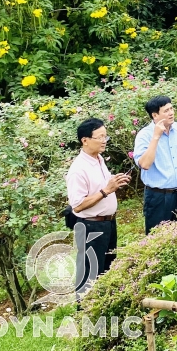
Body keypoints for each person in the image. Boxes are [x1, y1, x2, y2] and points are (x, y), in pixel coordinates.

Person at [65, 118, 130, 294]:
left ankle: (103, 308)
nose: (103, 141)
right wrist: (106, 190)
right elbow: (77, 205)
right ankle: (84, 312)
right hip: (91, 226)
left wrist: (115, 181)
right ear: (84, 140)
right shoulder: (78, 169)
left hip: (108, 223)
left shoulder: (98, 159)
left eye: (105, 137)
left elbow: (101, 186)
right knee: (89, 271)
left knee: (108, 268)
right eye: (99, 137)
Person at [133, 95, 177, 235]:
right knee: (158, 237)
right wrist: (156, 136)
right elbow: (144, 164)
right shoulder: (144, 135)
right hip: (158, 196)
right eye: (166, 111)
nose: (171, 113)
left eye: (171, 108)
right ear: (155, 115)